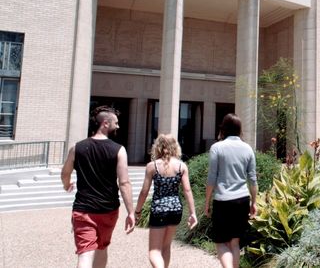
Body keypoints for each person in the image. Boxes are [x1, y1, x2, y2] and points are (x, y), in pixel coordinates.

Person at [61, 105, 135, 268]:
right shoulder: (119, 150)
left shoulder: (77, 148)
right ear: (106, 123)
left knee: (85, 254)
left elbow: (65, 173)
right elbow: (124, 183)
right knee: (102, 248)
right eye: (116, 122)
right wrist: (131, 212)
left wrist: (67, 184)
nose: (118, 126)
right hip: (108, 210)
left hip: (83, 209)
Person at [135, 134, 198, 268]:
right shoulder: (181, 166)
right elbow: (187, 191)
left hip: (159, 210)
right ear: (175, 147)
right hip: (176, 209)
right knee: (166, 246)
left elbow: (144, 192)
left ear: (158, 147)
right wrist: (193, 213)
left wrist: (137, 211)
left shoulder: (152, 166)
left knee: (154, 251)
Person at [205, 113, 258, 268]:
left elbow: (211, 178)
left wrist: (207, 202)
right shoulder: (248, 148)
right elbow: (253, 179)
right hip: (242, 200)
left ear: (223, 128)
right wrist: (254, 202)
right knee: (234, 243)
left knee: (221, 243)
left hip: (222, 200)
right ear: (240, 129)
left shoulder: (217, 148)